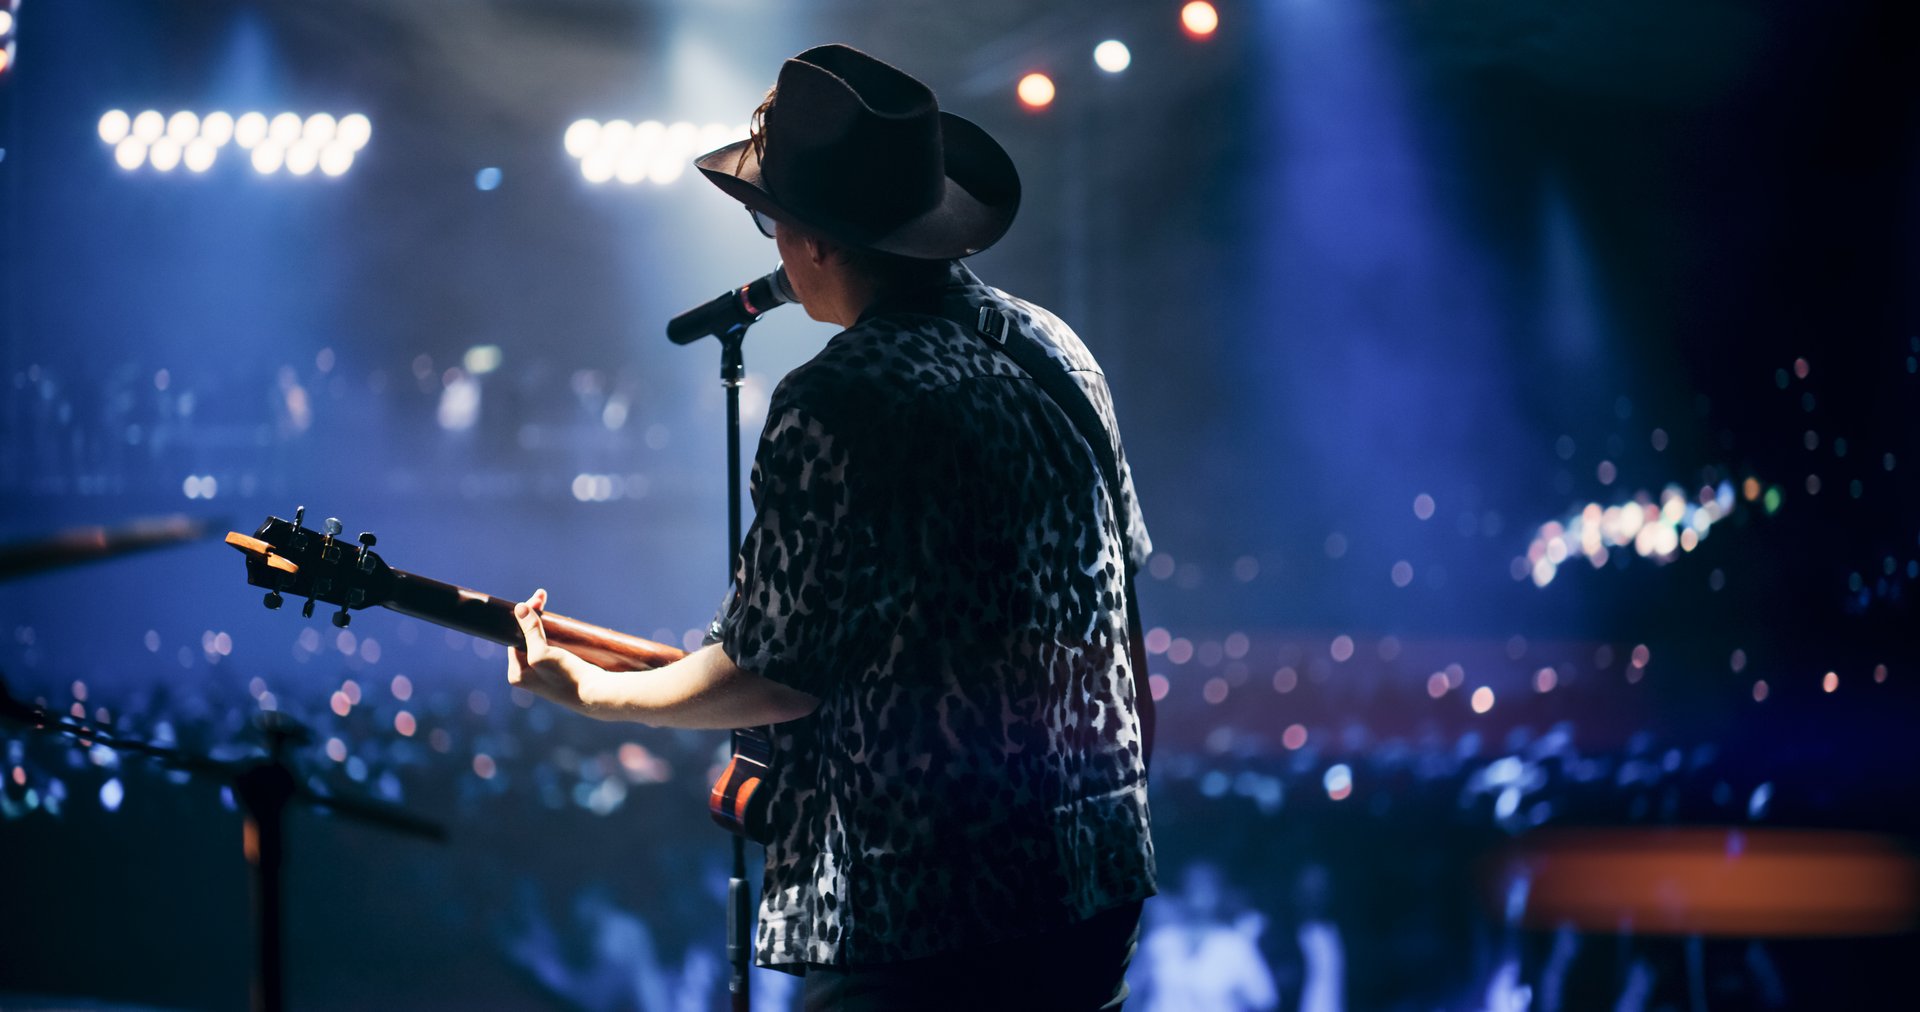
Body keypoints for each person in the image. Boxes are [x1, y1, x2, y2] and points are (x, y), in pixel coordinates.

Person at [507, 44, 1155, 1010]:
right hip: (1094, 882)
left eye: (772, 223)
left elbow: (774, 672)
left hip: (926, 902)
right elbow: (1119, 593)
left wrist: (594, 693)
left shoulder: (841, 395)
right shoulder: (1058, 349)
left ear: (814, 242)